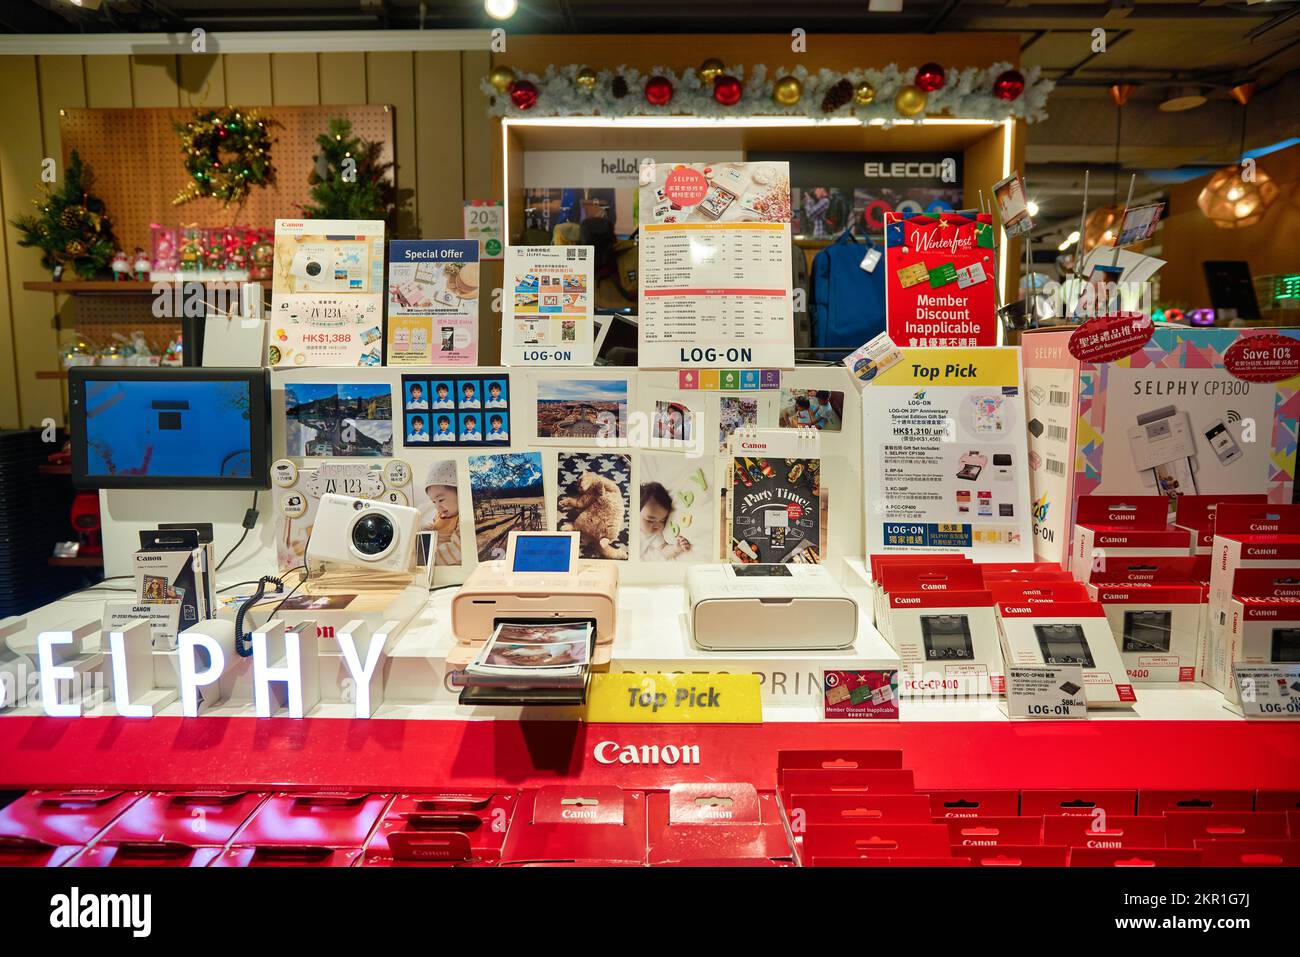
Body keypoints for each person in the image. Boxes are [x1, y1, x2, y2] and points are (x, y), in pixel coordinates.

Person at [420, 460, 462, 566]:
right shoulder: (440, 513)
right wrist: (422, 529)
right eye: (433, 501)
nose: (437, 506)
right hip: (432, 551)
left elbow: (456, 549)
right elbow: (434, 525)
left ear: (460, 493)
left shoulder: (460, 519)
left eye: (441, 500)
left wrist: (428, 559)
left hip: (447, 562)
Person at [639, 482, 692, 561]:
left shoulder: (655, 535)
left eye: (662, 520)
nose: (657, 526)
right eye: (650, 520)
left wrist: (675, 549)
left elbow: (663, 550)